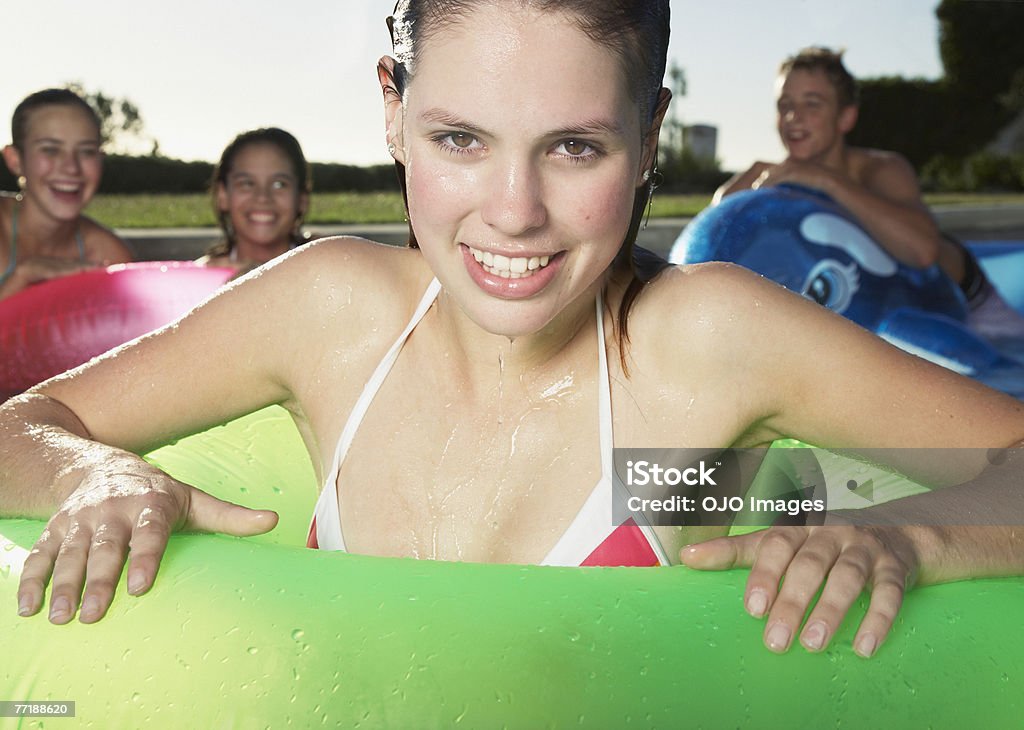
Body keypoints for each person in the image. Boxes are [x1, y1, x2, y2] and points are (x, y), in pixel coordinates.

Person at [1, 0, 1023, 662]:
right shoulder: (331, 313)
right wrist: (96, 475)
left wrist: (908, 534)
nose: (513, 212)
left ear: (649, 133)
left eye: (574, 147)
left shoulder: (701, 346)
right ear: (392, 111)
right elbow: (23, 422)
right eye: (459, 139)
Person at [714, 47, 1024, 340]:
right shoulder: (774, 180)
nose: (794, 116)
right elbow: (709, 242)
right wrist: (736, 193)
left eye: (812, 103)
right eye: (785, 104)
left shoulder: (879, 170)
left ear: (846, 117)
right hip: (880, 310)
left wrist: (825, 180)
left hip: (971, 310)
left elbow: (922, 251)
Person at [0, 89, 133, 301]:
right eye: (50, 150)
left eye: (86, 151)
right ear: (15, 159)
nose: (71, 168)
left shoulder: (109, 255)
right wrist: (22, 277)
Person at [196, 127, 313, 270]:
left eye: (279, 184)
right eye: (246, 184)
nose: (262, 197)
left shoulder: (328, 271)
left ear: (302, 198)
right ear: (223, 195)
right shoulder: (197, 280)